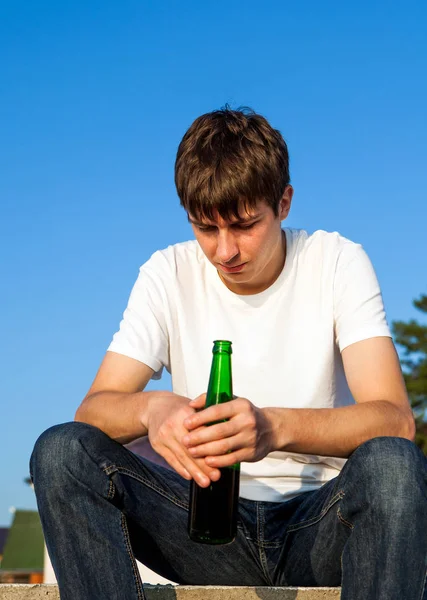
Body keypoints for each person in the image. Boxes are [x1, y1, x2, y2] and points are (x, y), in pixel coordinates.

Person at [30, 107, 427, 600]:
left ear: (283, 203)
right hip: (202, 526)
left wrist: (273, 427)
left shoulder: (337, 261)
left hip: (320, 524)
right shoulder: (166, 273)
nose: (224, 251)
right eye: (205, 228)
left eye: (243, 225)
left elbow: (395, 421)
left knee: (393, 464)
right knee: (62, 451)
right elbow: (92, 412)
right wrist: (151, 409)